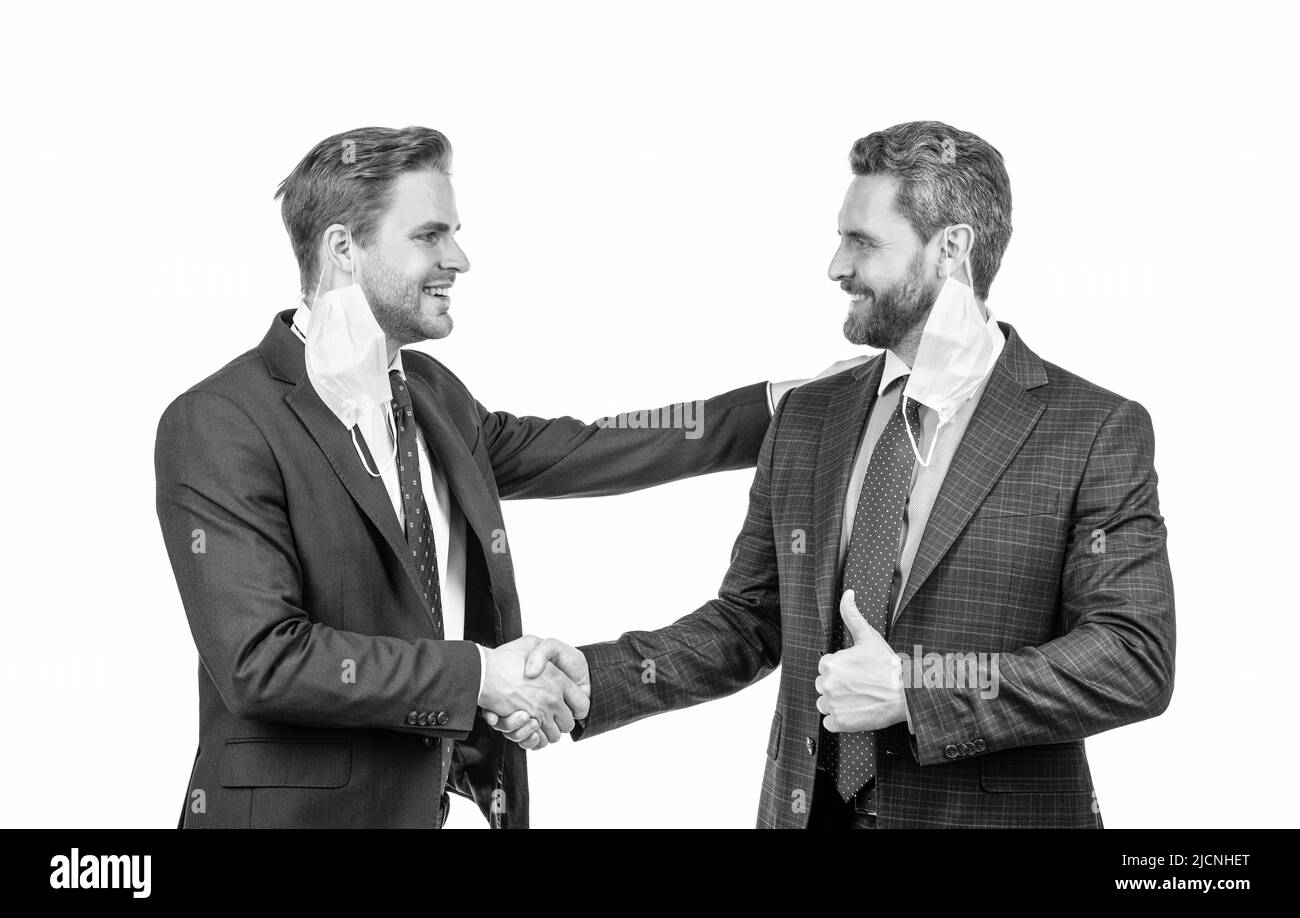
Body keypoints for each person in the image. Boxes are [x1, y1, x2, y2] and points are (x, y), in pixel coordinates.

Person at [491, 121, 1176, 829]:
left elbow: (1131, 658)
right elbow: (751, 622)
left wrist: (917, 687)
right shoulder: (813, 415)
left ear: (952, 248)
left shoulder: (1091, 429)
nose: (836, 267)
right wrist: (594, 678)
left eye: (863, 242)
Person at [154, 125, 824, 828]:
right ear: (344, 249)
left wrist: (784, 405)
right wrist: (479, 676)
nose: (459, 258)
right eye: (430, 236)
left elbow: (591, 447)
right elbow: (262, 660)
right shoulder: (220, 420)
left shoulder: (433, 394)